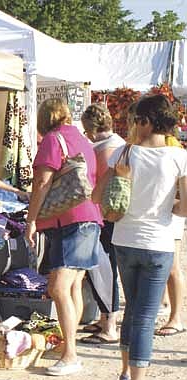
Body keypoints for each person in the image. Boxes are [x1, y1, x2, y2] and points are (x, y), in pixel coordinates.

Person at [93, 94, 187, 380]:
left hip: (124, 238)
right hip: (157, 242)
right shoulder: (178, 157)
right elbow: (185, 207)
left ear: (145, 121)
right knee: (146, 317)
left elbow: (96, 194)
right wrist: (165, 206)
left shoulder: (124, 152)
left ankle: (124, 374)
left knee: (133, 311)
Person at [25, 98, 102, 376]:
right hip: (88, 218)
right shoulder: (81, 139)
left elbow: (42, 182)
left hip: (71, 222)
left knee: (58, 287)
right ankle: (68, 347)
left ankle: (70, 354)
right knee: (71, 287)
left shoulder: (52, 140)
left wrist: (31, 220)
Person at [79, 103, 127, 344]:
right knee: (105, 267)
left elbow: (96, 183)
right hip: (111, 215)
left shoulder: (106, 149)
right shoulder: (118, 143)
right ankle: (104, 317)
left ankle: (110, 325)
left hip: (105, 216)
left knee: (104, 267)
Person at [154, 129, 186, 336]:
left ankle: (176, 318)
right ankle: (164, 303)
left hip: (171, 211)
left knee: (173, 266)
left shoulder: (171, 147)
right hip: (166, 211)